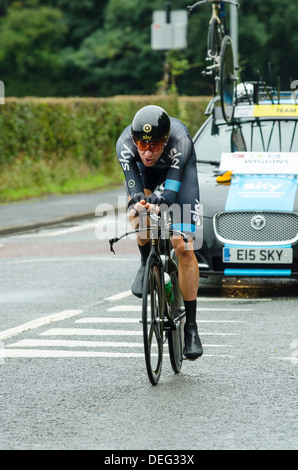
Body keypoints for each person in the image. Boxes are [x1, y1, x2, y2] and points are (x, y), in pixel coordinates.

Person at [116, 105, 203, 360]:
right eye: (141, 144)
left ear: (165, 140)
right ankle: (146, 263)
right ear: (134, 140)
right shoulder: (125, 145)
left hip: (181, 175)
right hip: (146, 177)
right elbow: (134, 194)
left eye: (154, 145)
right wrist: (140, 203)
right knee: (138, 213)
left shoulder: (180, 140)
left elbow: (172, 195)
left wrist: (160, 199)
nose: (147, 151)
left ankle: (191, 328)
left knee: (183, 247)